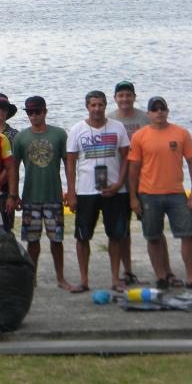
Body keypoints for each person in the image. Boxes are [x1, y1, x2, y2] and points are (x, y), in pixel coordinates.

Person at [128, 96, 192, 290]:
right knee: (153, 237)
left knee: (188, 234)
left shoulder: (181, 133)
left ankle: (191, 278)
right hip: (148, 194)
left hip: (177, 194)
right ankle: (161, 277)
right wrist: (133, 197)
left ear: (167, 111)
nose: (159, 112)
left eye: (162, 108)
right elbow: (133, 169)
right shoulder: (139, 136)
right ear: (149, 114)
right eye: (155, 109)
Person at [66, 91, 131, 293]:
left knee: (116, 235)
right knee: (83, 236)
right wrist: (71, 192)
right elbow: (70, 163)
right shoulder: (77, 129)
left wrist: (120, 183)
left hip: (114, 190)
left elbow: (127, 158)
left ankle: (115, 278)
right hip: (86, 191)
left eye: (100, 105)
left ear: (105, 106)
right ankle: (84, 280)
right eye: (93, 105)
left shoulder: (117, 127)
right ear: (87, 107)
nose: (97, 109)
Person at [12, 96, 71, 291]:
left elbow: (69, 164)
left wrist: (71, 191)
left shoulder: (59, 135)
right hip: (30, 197)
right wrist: (14, 195)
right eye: (30, 112)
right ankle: (32, 278)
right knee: (32, 241)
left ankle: (61, 278)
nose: (34, 116)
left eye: (37, 112)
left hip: (54, 197)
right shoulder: (21, 137)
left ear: (45, 112)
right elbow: (13, 168)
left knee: (57, 240)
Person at [111, 80, 154, 286]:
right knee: (122, 230)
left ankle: (163, 272)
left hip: (145, 180)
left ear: (134, 97)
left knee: (152, 228)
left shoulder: (145, 118)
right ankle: (127, 270)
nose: (125, 99)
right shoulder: (109, 119)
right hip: (119, 181)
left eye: (129, 95)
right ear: (115, 99)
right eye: (121, 96)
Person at [0, 93, 20, 231]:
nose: (0, 111)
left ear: (8, 112)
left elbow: (12, 167)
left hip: (4, 190)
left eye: (4, 109)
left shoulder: (13, 135)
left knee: (3, 229)